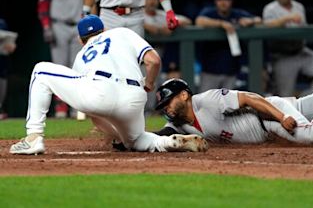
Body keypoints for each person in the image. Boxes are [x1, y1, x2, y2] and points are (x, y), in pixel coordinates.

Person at [152, 15, 313, 145]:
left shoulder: (208, 100)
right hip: (272, 116)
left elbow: (251, 99)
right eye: (163, 106)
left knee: (308, 136)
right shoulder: (179, 123)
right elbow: (160, 136)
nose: (167, 109)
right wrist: (127, 141)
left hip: (268, 117)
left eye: (168, 102)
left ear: (184, 95)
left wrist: (282, 117)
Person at [9, 15, 208, 155]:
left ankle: (33, 137)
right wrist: (148, 83)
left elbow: (93, 115)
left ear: (81, 40)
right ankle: (168, 141)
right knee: (136, 140)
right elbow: (153, 60)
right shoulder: (121, 33)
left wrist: (107, 125)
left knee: (40, 70)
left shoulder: (81, 55)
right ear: (104, 30)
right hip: (133, 97)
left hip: (98, 92)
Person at [262, 0, 313, 97]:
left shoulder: (298, 7)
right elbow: (267, 25)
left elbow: (303, 28)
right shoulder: (270, 8)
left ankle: (305, 98)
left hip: (301, 51)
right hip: (283, 56)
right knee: (285, 96)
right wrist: (287, 18)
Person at [195, 0, 262, 92]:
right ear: (216, 1)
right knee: (204, 105)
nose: (223, 2)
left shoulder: (237, 14)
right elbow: (199, 21)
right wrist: (221, 23)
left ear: (231, 1)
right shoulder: (210, 13)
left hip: (231, 71)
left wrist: (250, 21)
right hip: (210, 71)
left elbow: (259, 19)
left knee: (229, 107)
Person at [37, 0, 87, 118]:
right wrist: (46, 26)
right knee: (59, 68)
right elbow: (43, 3)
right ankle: (61, 108)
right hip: (59, 25)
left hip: (79, 25)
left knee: (78, 67)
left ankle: (78, 108)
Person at [144, 0, 192, 114]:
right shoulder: (138, 16)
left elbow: (187, 21)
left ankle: (154, 113)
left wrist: (169, 26)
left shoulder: (161, 15)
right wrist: (153, 29)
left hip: (160, 55)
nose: (152, 1)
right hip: (142, 57)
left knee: (156, 88)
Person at [82, 0, 179, 37]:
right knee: (109, 57)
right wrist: (86, 13)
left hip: (136, 15)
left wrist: (169, 11)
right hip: (109, 15)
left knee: (135, 58)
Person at [0, 18, 17, 119]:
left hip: (2, 60)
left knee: (2, 79)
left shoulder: (2, 22)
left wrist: (11, 45)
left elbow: (10, 42)